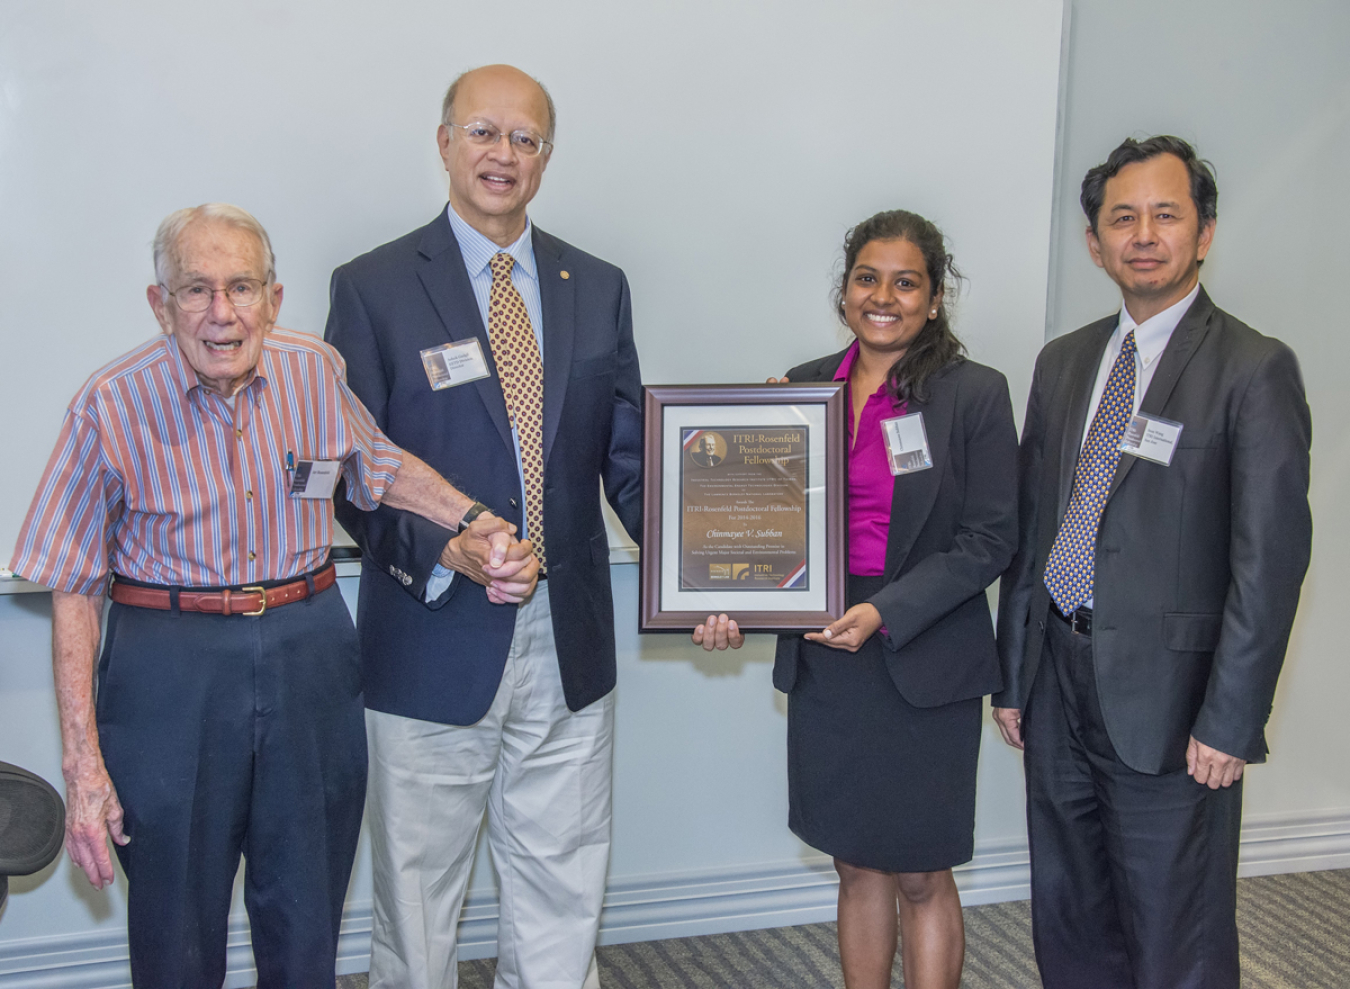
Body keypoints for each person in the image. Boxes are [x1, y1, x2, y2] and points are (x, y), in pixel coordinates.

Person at [6, 204, 537, 986]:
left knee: (307, 908)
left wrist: (475, 517)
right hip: (168, 671)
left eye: (241, 288)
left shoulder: (314, 369)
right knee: (176, 925)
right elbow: (75, 588)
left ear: (274, 298)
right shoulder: (108, 403)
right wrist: (83, 765)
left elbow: (380, 466)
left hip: (309, 655)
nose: (222, 314)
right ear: (160, 304)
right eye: (196, 289)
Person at [325, 64, 643, 989]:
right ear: (444, 142)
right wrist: (446, 547)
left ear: (546, 158)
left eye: (525, 138)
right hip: (429, 629)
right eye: (483, 132)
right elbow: (354, 469)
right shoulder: (373, 285)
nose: (503, 154)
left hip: (568, 634)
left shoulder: (600, 284)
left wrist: (713, 558)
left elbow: (625, 459)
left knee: (563, 881)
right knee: (418, 899)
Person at [993, 136, 1312, 989]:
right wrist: (1015, 676)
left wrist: (1232, 716)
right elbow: (1034, 530)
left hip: (1175, 707)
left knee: (1179, 933)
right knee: (1071, 915)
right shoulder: (1063, 362)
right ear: (1095, 244)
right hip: (1057, 684)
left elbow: (1269, 560)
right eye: (1121, 217)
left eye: (1165, 215)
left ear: (1203, 232)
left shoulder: (1253, 368)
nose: (1144, 234)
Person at [696, 209, 1018, 989]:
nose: (884, 296)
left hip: (925, 651)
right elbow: (764, 529)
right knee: (854, 863)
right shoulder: (804, 385)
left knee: (921, 872)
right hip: (825, 653)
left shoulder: (973, 395)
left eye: (906, 282)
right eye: (867, 278)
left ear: (934, 298)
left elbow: (990, 539)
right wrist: (728, 591)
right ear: (845, 292)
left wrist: (886, 611)